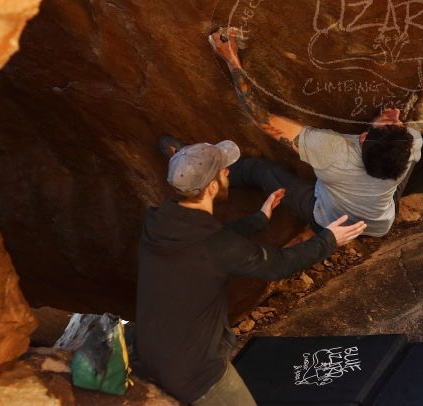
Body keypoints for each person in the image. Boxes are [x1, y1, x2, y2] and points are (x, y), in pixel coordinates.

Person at [135, 139, 366, 405]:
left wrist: (261, 217)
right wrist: (329, 240)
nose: (229, 172)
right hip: (195, 373)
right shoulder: (215, 246)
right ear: (211, 187)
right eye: (224, 171)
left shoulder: (157, 222)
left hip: (151, 350)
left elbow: (210, 246)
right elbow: (278, 264)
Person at [209, 29, 423, 238]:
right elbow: (418, 126)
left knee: (259, 170)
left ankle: (213, 178)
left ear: (363, 138)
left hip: (329, 221)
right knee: (396, 185)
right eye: (397, 121)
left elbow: (262, 119)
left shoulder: (333, 152)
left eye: (389, 121)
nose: (396, 112)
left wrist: (232, 60)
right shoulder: (408, 149)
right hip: (378, 224)